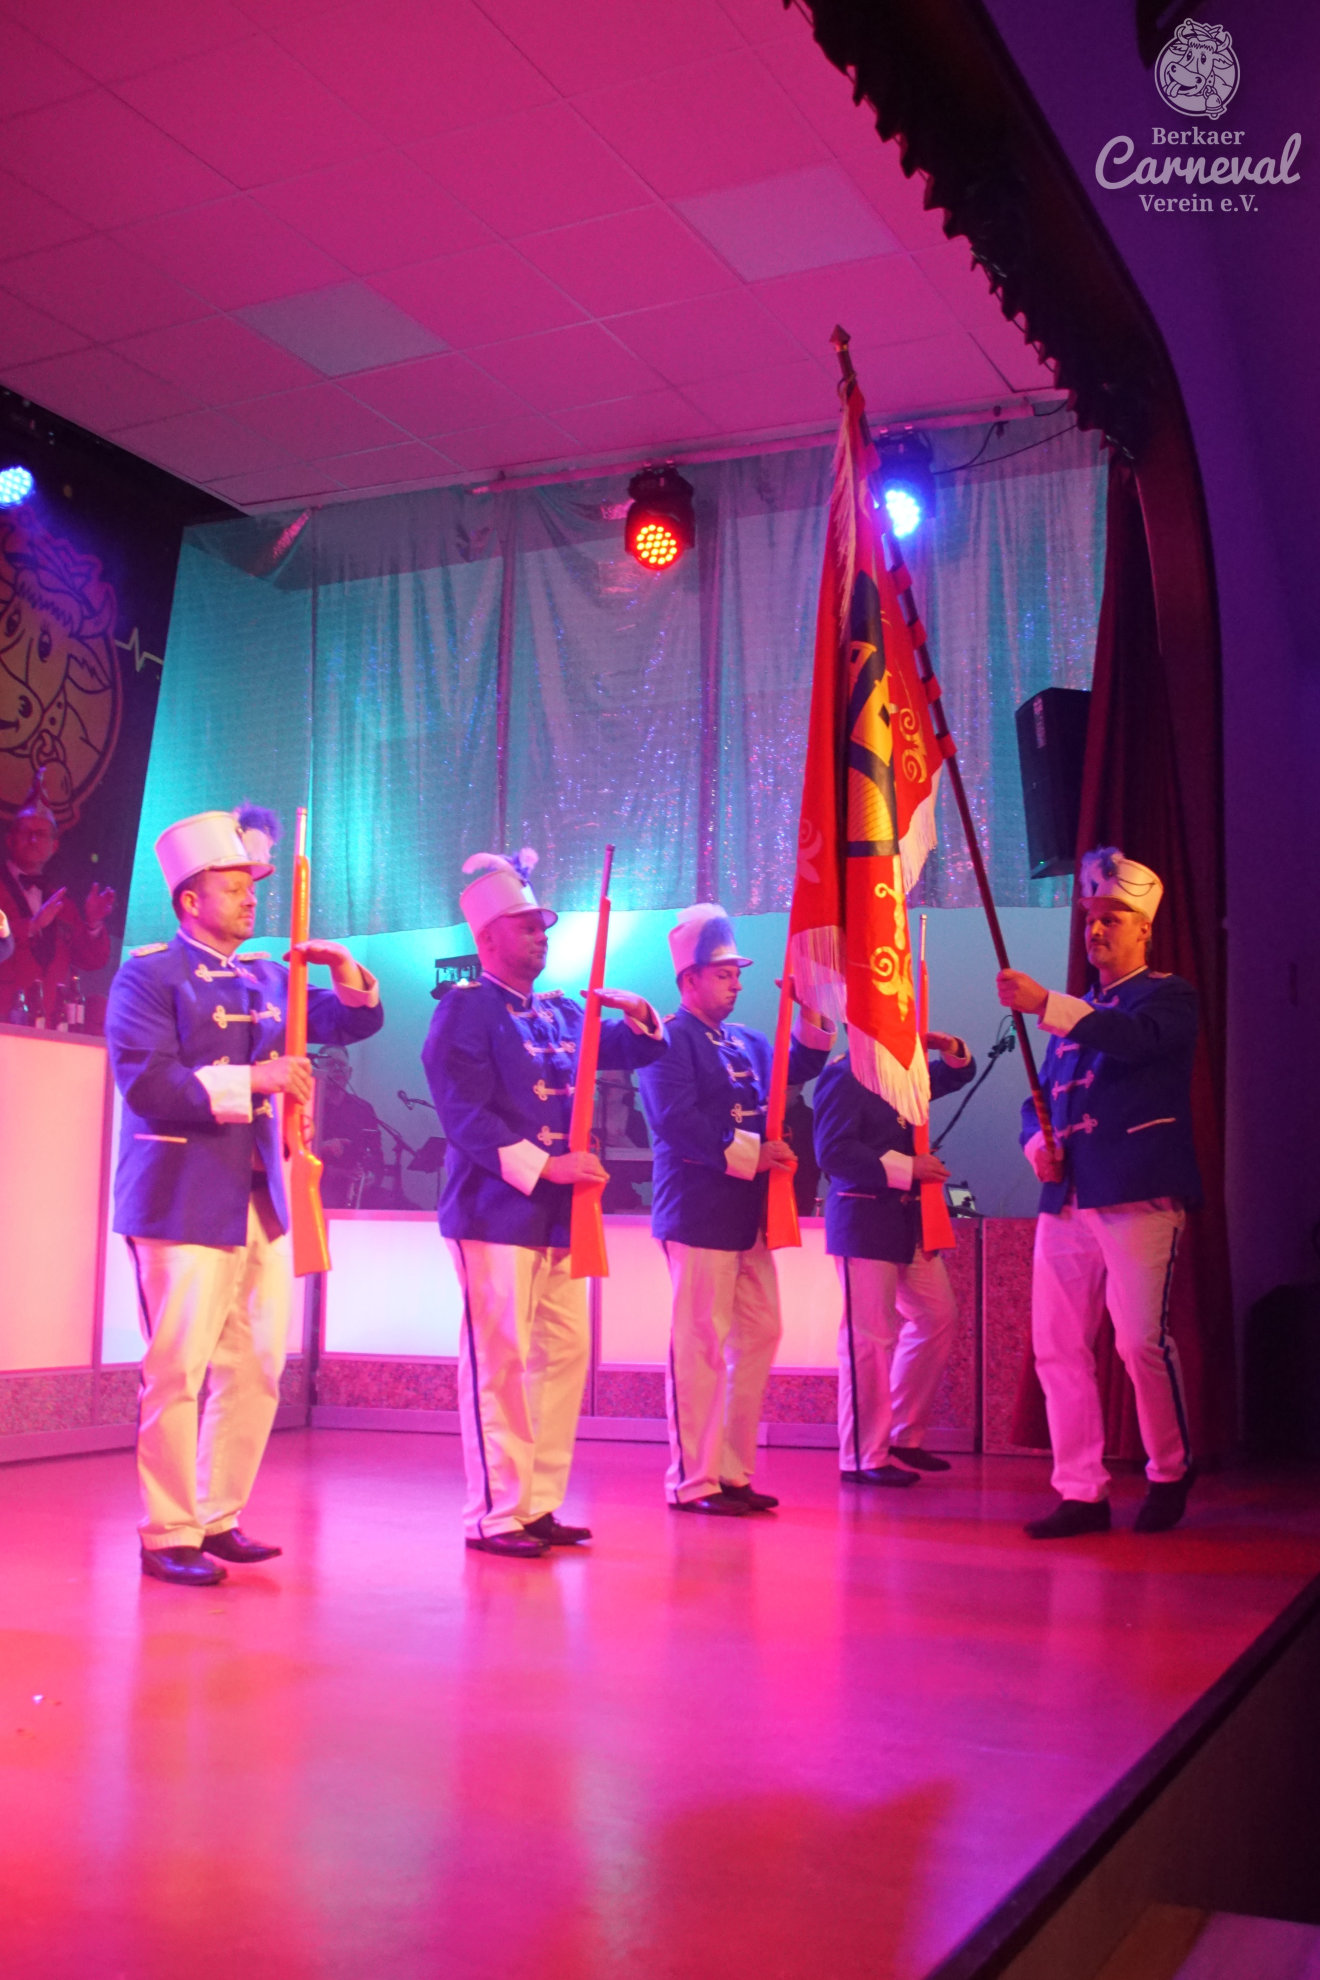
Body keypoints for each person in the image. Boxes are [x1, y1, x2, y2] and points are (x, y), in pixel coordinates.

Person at [106, 809, 383, 1588]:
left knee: (256, 1366)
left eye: (252, 886)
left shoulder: (267, 976)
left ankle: (217, 1515)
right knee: (176, 1371)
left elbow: (352, 1022)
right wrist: (254, 1079)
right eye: (233, 887)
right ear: (190, 899)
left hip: (260, 1196)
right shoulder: (148, 974)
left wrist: (343, 967)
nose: (250, 898)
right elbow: (147, 1083)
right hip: (179, 1196)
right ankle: (168, 1530)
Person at [421, 849, 666, 1560]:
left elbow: (635, 1051)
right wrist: (545, 1166)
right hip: (494, 1210)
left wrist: (641, 1013)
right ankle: (493, 1512)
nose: (540, 937)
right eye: (525, 926)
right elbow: (462, 1113)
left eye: (543, 927)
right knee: (498, 1362)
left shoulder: (559, 1011)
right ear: (486, 937)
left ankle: (535, 1503)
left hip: (559, 1216)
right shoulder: (465, 1007)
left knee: (563, 1357)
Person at [997, 847, 1200, 1539]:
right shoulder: (1078, 1013)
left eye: (1112, 917)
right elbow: (1039, 1100)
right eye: (1090, 917)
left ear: (1144, 928)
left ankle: (1169, 1469)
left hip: (1138, 1190)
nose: (1096, 928)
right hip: (1068, 1200)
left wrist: (1048, 1005)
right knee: (1057, 1347)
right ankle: (1081, 1490)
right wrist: (1037, 1144)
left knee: (1141, 1342)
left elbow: (1135, 1042)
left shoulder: (1167, 996)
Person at [638, 904, 834, 1516]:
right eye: (723, 974)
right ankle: (692, 1479)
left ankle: (730, 1469)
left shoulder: (747, 1040)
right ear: (689, 979)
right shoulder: (668, 1038)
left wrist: (810, 1010)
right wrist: (754, 1154)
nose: (736, 984)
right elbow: (674, 1121)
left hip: (750, 1214)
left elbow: (800, 1065)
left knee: (760, 1334)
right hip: (698, 1209)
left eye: (737, 974)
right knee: (699, 1343)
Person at [813, 1031, 975, 1488]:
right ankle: (862, 1455)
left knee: (937, 1317)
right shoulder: (846, 1074)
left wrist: (950, 1048)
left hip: (907, 1221)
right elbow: (833, 1152)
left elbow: (953, 1076)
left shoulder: (901, 1074)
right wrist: (909, 1169)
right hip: (864, 1217)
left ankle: (902, 1432)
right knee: (868, 1339)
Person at [0, 773, 113, 1025]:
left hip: (49, 1028)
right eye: (26, 832)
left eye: (41, 834)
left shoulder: (62, 904)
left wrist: (93, 924)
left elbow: (91, 961)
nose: (33, 840)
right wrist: (31, 926)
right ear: (10, 840)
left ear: (54, 846)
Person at [315, 1046, 384, 1208]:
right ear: (319, 1072)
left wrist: (372, 1176)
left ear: (350, 1072)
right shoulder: (308, 1105)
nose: (337, 1068)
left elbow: (376, 1154)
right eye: (330, 1064)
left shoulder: (363, 1108)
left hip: (357, 1191)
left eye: (341, 1064)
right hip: (319, 1187)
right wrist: (321, 1147)